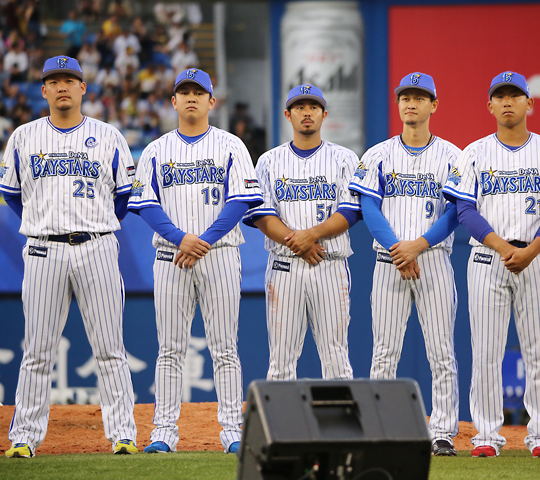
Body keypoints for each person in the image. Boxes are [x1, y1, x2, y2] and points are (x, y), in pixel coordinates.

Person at [0, 56, 139, 458]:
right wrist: (40, 221)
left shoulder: (109, 136)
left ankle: (123, 434)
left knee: (110, 348)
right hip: (43, 249)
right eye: (53, 81)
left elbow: (123, 196)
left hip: (97, 247)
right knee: (37, 351)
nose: (61, 87)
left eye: (69, 80)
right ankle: (23, 438)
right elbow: (10, 191)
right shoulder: (23, 136)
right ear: (43, 90)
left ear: (82, 88)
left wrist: (98, 223)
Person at [128, 68, 263, 455]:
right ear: (173, 101)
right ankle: (164, 433)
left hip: (218, 254)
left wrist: (201, 240)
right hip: (171, 256)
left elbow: (240, 201)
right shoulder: (155, 149)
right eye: (183, 92)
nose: (190, 97)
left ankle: (232, 432)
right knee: (169, 348)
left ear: (210, 101)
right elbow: (145, 203)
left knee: (224, 347)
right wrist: (181, 239)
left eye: (197, 92)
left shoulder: (231, 145)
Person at [443, 71, 540, 458]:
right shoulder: (473, 153)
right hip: (487, 257)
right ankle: (485, 434)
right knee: (486, 351)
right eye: (501, 96)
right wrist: (500, 246)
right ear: (490, 105)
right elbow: (464, 209)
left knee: (539, 351)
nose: (508, 101)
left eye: (516, 95)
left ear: (530, 103)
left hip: (536, 257)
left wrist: (530, 251)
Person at [348, 73, 461, 456]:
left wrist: (419, 245)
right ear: (398, 105)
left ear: (434, 105)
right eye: (405, 97)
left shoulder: (452, 156)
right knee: (384, 350)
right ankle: (381, 427)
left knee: (441, 350)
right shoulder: (378, 154)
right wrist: (399, 248)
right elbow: (367, 207)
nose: (411, 103)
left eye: (419, 97)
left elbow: (457, 211)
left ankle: (443, 431)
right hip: (390, 261)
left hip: (432, 260)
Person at [242, 84, 360, 381]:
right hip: (285, 266)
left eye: (313, 107)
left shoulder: (345, 158)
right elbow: (261, 214)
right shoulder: (268, 161)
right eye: (299, 108)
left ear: (324, 115)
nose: (306, 113)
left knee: (336, 356)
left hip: (330, 263)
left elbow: (350, 211)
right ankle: (282, 429)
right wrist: (299, 242)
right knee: (281, 359)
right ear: (288, 115)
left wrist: (311, 235)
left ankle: (341, 427)